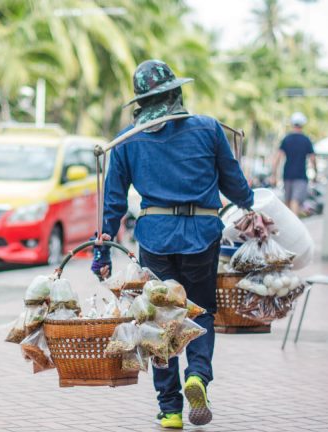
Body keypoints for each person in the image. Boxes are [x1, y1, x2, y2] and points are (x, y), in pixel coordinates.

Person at [90, 59, 255, 429]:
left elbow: (113, 201)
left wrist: (102, 251)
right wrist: (251, 205)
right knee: (199, 311)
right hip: (202, 235)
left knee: (159, 320)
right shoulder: (208, 128)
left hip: (156, 239)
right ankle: (198, 375)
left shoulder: (129, 139)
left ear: (142, 101)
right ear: (175, 92)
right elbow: (234, 184)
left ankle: (171, 409)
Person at [271, 112, 317, 215]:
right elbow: (313, 158)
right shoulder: (306, 140)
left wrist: (273, 175)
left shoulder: (286, 139)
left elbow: (277, 158)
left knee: (288, 201)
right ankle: (294, 226)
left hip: (287, 175)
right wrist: (315, 173)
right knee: (295, 201)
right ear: (303, 125)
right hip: (300, 176)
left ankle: (289, 226)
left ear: (292, 124)